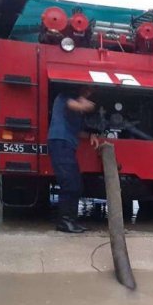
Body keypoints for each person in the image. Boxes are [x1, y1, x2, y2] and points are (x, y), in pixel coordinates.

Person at [47, 85, 101, 233]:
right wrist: (86, 105)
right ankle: (65, 222)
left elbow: (77, 131)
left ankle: (71, 220)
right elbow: (74, 105)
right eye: (87, 89)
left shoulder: (76, 110)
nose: (88, 93)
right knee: (70, 184)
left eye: (91, 92)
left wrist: (91, 135)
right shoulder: (65, 96)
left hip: (66, 145)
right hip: (60, 143)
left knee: (75, 183)